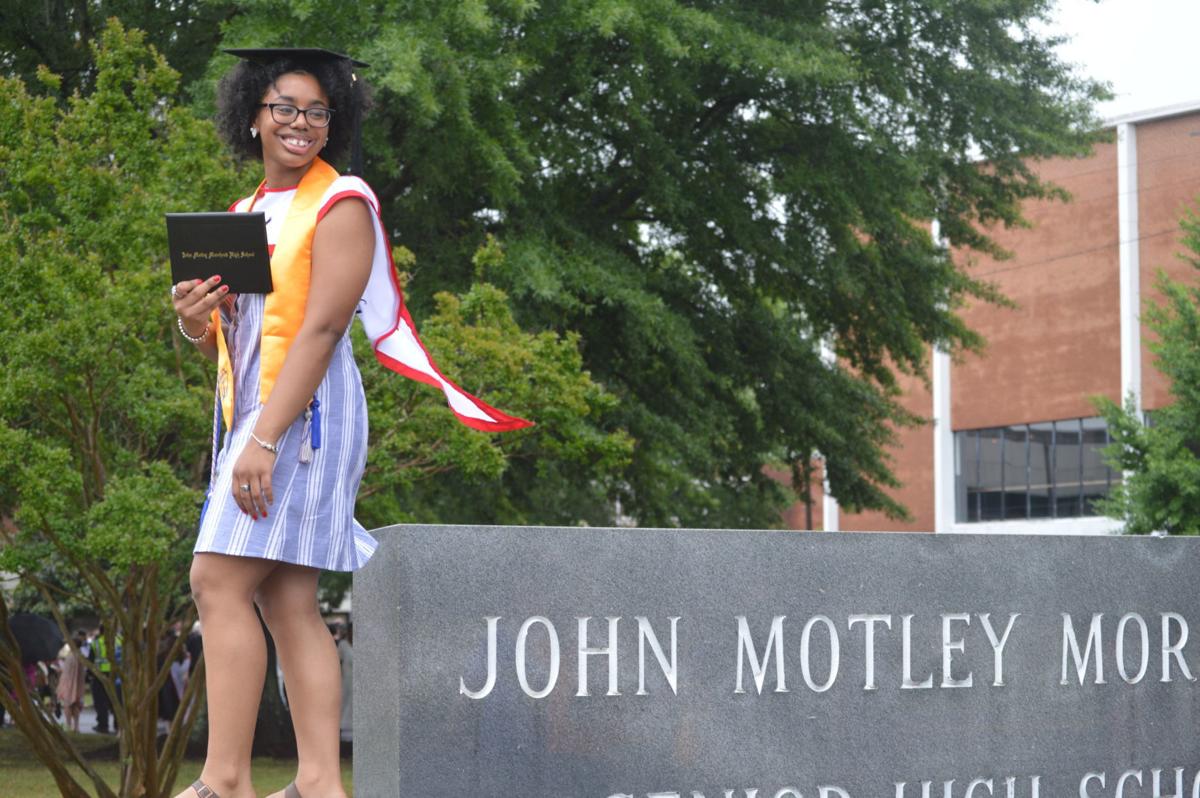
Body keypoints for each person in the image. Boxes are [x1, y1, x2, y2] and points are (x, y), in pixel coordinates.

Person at [170, 48, 528, 798]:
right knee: (285, 598)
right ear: (253, 117)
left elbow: (326, 328)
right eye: (284, 108)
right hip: (259, 415)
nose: (301, 123)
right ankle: (318, 784)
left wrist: (263, 439)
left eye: (317, 111)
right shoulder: (242, 216)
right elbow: (236, 342)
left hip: (304, 421)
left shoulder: (343, 203)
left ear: (333, 123)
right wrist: (195, 321)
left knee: (216, 581)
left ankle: (226, 779)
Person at [57, 630, 88, 733]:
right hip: (78, 684)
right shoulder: (80, 656)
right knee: (75, 704)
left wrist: (60, 671)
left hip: (69, 684)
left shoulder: (71, 657)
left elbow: (66, 673)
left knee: (68, 705)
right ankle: (76, 727)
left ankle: (69, 725)